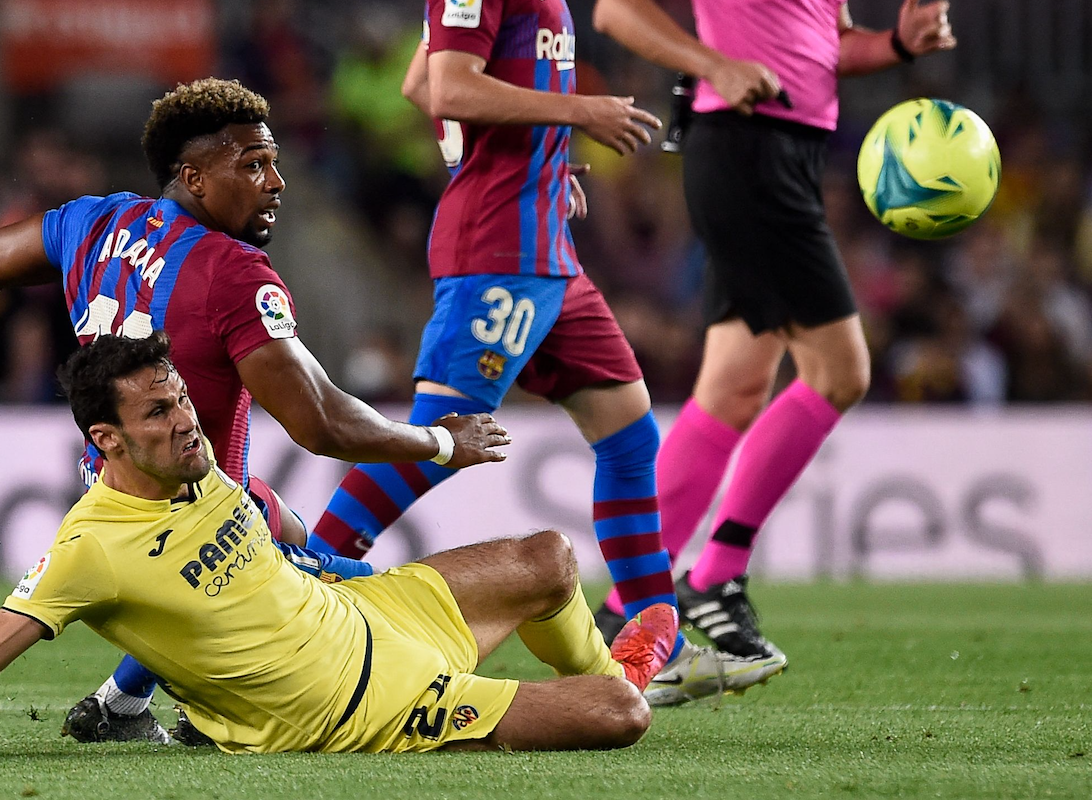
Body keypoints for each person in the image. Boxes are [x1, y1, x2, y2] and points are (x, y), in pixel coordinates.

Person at [0, 333, 679, 760]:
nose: (186, 418)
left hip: (369, 615)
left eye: (181, 396)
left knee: (551, 557)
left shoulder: (199, 465)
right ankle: (620, 679)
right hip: (358, 706)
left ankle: (620, 659)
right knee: (615, 718)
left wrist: (329, 557)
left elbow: (260, 514)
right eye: (159, 410)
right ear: (106, 441)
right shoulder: (88, 548)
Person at [0, 78, 510, 742]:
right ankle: (196, 708)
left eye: (274, 162)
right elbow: (319, 423)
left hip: (120, 481)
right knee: (381, 597)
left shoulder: (96, 221)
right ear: (194, 177)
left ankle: (123, 705)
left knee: (290, 528)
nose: (276, 181)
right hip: (199, 511)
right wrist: (442, 442)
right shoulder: (230, 273)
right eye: (253, 165)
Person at [303, 0, 787, 705]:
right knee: (437, 438)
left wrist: (543, 164)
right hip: (498, 251)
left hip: (546, 251)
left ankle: (660, 648)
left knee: (627, 431)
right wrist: (576, 114)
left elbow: (419, 83)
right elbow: (446, 88)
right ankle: (301, 592)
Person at [590, 0, 956, 664]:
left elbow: (825, 45)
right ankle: (714, 575)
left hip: (782, 153)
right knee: (840, 371)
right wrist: (715, 66)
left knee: (733, 390)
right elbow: (616, 12)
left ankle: (627, 608)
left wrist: (897, 45)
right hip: (746, 145)